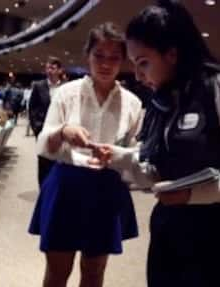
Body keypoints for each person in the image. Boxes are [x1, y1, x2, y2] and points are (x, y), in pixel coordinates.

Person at [90, 2, 220, 286]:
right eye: (135, 64)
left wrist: (198, 193)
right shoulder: (160, 97)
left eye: (143, 62)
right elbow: (156, 162)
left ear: (172, 54)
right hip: (170, 230)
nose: (138, 75)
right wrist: (120, 156)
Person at [29, 22, 142, 287]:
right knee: (57, 271)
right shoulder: (67, 94)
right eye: (99, 56)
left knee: (94, 273)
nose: (106, 64)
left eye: (114, 58)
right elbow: (44, 143)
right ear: (87, 57)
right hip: (67, 184)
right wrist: (64, 130)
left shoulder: (132, 103)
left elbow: (135, 149)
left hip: (106, 188)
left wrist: (119, 155)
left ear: (122, 61)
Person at [29, 57, 64, 186]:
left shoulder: (65, 87)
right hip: (43, 131)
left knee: (60, 164)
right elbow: (32, 109)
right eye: (47, 68)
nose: (49, 70)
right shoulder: (38, 86)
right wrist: (37, 130)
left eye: (53, 68)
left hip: (61, 133)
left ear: (60, 70)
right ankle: (43, 191)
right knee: (44, 164)